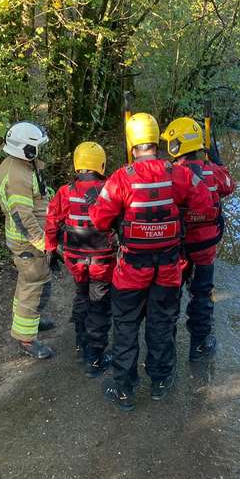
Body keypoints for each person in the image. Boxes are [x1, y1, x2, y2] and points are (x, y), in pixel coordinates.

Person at [89, 112, 213, 411]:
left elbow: (98, 220)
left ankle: (124, 389)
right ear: (157, 142)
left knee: (126, 327)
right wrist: (180, 213)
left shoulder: (122, 177)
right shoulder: (178, 174)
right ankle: (159, 381)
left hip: (131, 270)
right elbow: (206, 204)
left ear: (132, 145)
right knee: (161, 324)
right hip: (168, 269)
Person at [161, 117, 235, 361]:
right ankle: (200, 345)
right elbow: (229, 185)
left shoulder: (170, 175)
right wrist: (217, 161)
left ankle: (166, 347)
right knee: (202, 295)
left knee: (170, 298)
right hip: (205, 249)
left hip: (177, 249)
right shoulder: (213, 172)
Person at [45, 141, 116, 377]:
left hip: (75, 260)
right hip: (102, 261)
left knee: (81, 295)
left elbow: (52, 220)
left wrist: (51, 249)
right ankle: (95, 358)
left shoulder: (65, 191)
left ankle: (80, 341)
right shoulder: (110, 189)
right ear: (101, 163)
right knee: (99, 305)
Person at [0, 121, 54, 360]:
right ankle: (26, 339)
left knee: (32, 284)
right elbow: (22, 217)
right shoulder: (17, 175)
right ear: (26, 149)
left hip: (29, 241)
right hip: (28, 243)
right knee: (33, 285)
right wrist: (43, 242)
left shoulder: (19, 165)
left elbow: (37, 196)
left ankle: (30, 322)